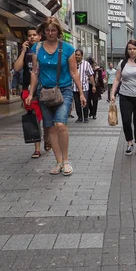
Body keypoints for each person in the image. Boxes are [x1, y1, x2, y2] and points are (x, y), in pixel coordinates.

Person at [26, 17, 86, 176]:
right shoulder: (37, 48)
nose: (50, 33)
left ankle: (66, 160)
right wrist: (31, 93)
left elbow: (74, 72)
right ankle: (58, 161)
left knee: (60, 124)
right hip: (44, 92)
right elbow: (34, 72)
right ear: (43, 32)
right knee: (50, 127)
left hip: (64, 90)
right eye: (47, 30)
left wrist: (80, 93)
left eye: (53, 30)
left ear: (58, 32)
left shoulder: (67, 48)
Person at [13, 26, 47, 158]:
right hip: (29, 88)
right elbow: (17, 68)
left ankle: (48, 138)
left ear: (40, 37)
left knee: (47, 118)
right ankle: (37, 148)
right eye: (29, 35)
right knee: (34, 118)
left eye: (34, 35)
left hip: (45, 88)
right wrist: (23, 51)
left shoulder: (45, 49)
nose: (32, 37)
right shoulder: (26, 53)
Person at [73, 49, 95, 123]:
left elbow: (91, 75)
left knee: (85, 102)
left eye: (78, 55)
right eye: (76, 55)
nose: (77, 56)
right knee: (77, 103)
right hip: (74, 87)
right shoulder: (72, 64)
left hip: (84, 87)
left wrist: (93, 85)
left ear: (82, 56)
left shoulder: (86, 64)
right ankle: (79, 117)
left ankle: (85, 117)